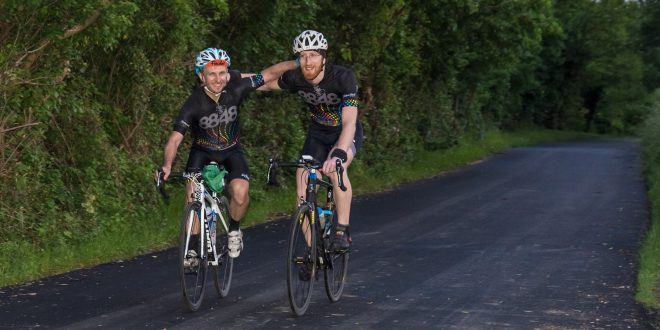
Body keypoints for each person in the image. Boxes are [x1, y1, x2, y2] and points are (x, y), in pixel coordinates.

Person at [158, 47, 296, 259]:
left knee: (240, 193)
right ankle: (193, 247)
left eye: (222, 73)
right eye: (211, 74)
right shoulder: (193, 103)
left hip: (231, 152)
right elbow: (175, 139)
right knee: (192, 189)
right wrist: (167, 165)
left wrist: (298, 62)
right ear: (200, 75)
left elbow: (268, 74)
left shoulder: (237, 87)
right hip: (202, 153)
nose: (218, 79)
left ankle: (234, 230)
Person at [262, 30, 363, 252]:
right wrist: (232, 81)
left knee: (337, 169)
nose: (308, 61)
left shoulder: (343, 77)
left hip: (343, 134)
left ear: (323, 58)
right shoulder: (296, 77)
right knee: (302, 183)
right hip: (317, 136)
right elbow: (265, 82)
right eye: (303, 56)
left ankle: (341, 230)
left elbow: (349, 123)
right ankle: (314, 250)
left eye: (314, 55)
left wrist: (338, 153)